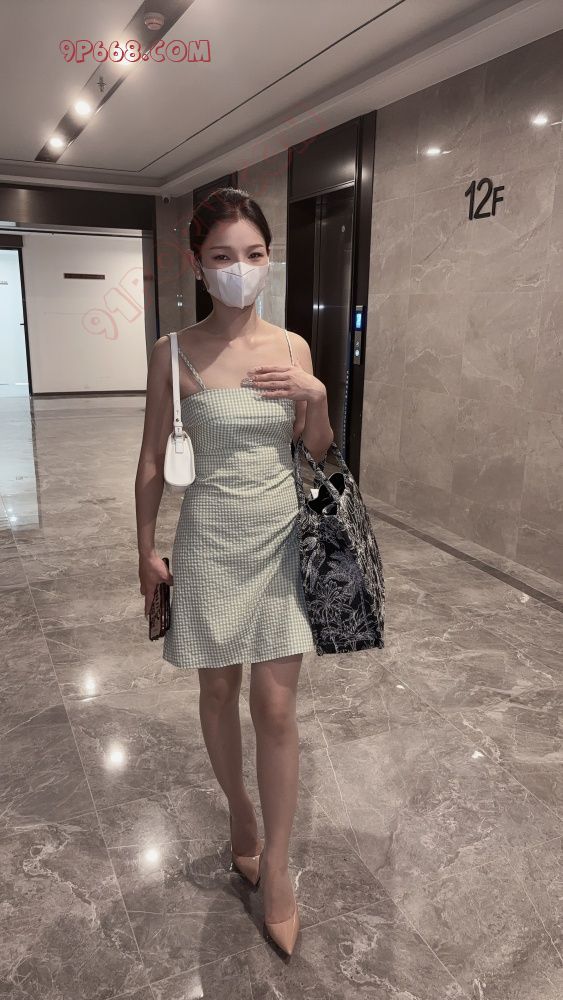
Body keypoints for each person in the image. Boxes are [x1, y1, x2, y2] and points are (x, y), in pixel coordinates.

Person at [135, 186, 333, 956]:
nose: (238, 268)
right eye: (222, 256)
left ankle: (276, 868)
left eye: (252, 254)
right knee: (216, 691)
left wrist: (316, 396)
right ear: (197, 263)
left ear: (268, 258)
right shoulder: (173, 352)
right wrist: (144, 549)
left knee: (275, 710)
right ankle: (239, 812)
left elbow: (314, 452)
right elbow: (153, 460)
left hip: (280, 540)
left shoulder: (293, 348)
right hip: (209, 541)